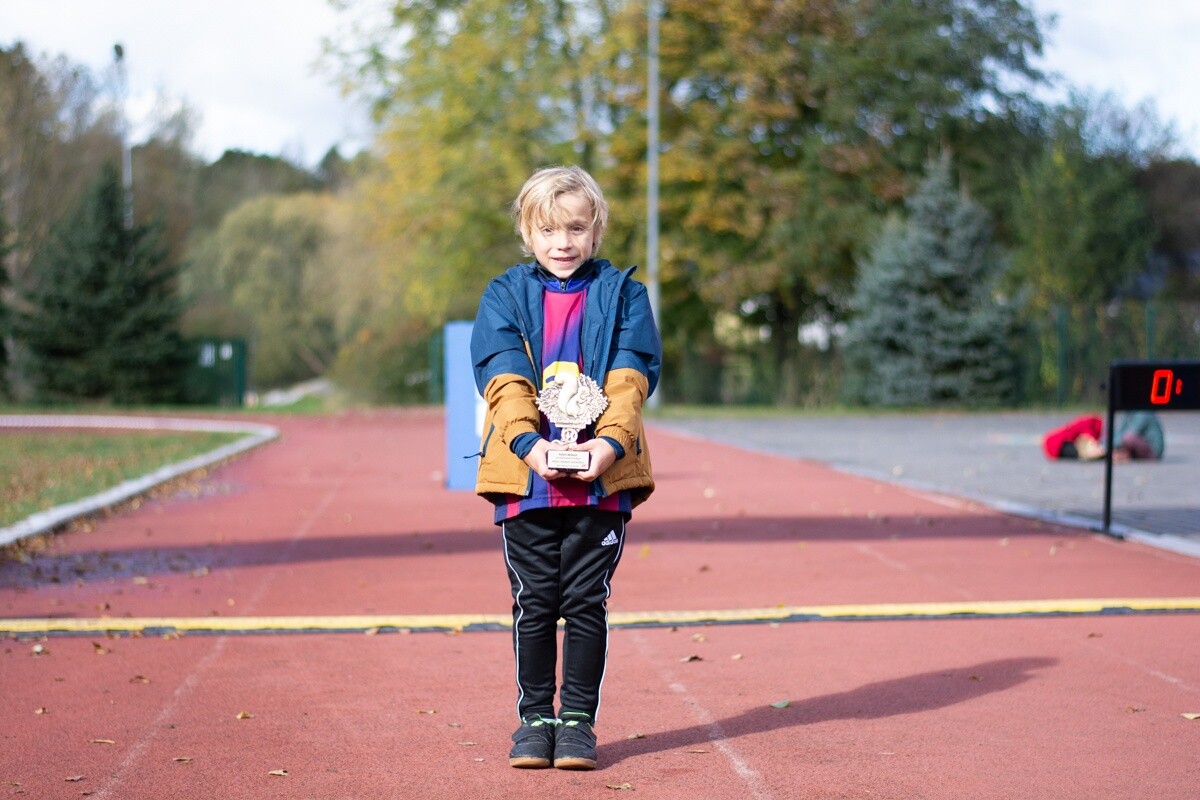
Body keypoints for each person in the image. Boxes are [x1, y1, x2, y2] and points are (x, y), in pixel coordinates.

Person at [470, 165, 661, 771]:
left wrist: (610, 445)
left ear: (596, 230)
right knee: (534, 601)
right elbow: (503, 375)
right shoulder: (504, 294)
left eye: (576, 228)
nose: (563, 242)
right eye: (548, 229)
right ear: (527, 232)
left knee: (585, 601)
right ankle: (535, 719)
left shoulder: (625, 294)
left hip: (601, 480)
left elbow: (630, 377)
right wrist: (530, 446)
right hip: (526, 479)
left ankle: (576, 721)